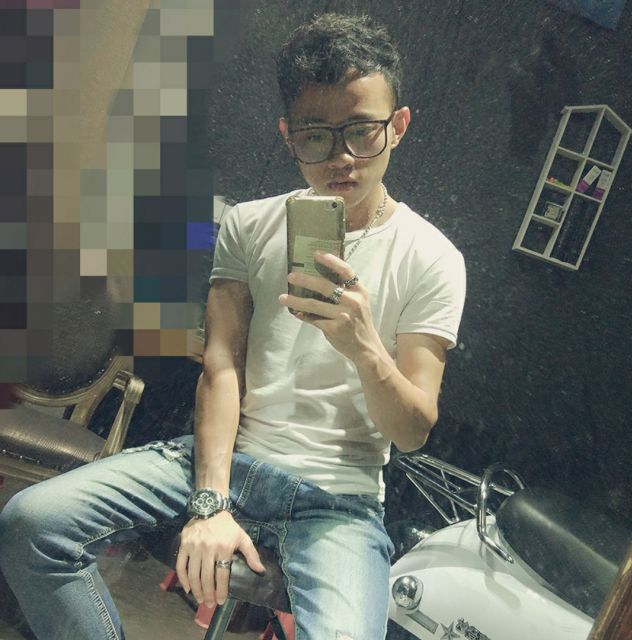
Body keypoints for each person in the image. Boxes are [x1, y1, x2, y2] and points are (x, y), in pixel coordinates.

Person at [0, 13, 465, 640]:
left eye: (362, 132)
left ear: (398, 125)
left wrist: (364, 349)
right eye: (316, 136)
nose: (342, 158)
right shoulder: (249, 225)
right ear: (287, 136)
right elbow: (221, 366)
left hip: (339, 501)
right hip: (222, 459)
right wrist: (210, 500)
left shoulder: (433, 258)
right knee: (32, 523)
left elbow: (411, 431)